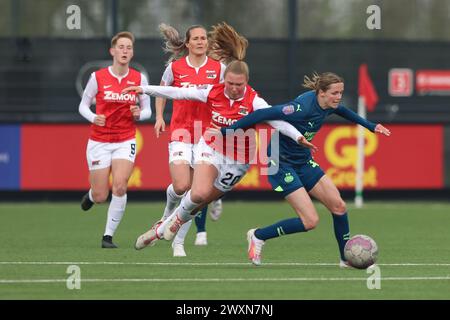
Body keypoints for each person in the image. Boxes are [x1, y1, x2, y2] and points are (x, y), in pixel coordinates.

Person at [123, 22, 316, 250]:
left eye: (239, 85)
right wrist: (144, 89)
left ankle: (162, 227)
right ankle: (167, 226)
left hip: (238, 161)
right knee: (198, 192)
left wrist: (297, 137)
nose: (234, 88)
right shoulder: (212, 92)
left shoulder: (254, 100)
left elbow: (276, 120)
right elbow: (178, 91)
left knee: (202, 201)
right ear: (225, 80)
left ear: (246, 82)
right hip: (211, 147)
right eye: (230, 84)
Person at [219, 72, 391, 266]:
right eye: (335, 93)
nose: (339, 97)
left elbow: (343, 111)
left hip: (302, 160)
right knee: (310, 221)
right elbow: (262, 114)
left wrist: (370, 126)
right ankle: (258, 236)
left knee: (339, 207)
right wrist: (226, 131)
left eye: (341, 92)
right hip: (279, 161)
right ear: (322, 93)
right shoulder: (299, 108)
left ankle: (345, 258)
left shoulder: (328, 105)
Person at [153, 23, 227, 257]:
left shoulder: (219, 69)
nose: (200, 42)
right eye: (195, 38)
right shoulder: (175, 68)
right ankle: (166, 216)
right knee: (181, 186)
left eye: (203, 38)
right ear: (187, 43)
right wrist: (158, 117)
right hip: (181, 132)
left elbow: (227, 97)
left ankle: (179, 243)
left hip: (206, 135)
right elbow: (161, 90)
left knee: (195, 194)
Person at [78, 31, 151, 248]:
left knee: (120, 186)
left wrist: (140, 114)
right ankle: (92, 196)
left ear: (132, 52)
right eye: (121, 47)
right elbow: (83, 105)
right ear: (112, 51)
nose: (125, 51)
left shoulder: (139, 78)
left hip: (125, 139)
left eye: (128, 47)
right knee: (101, 195)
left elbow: (147, 111)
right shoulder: (98, 77)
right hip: (99, 141)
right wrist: (93, 117)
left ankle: (107, 237)